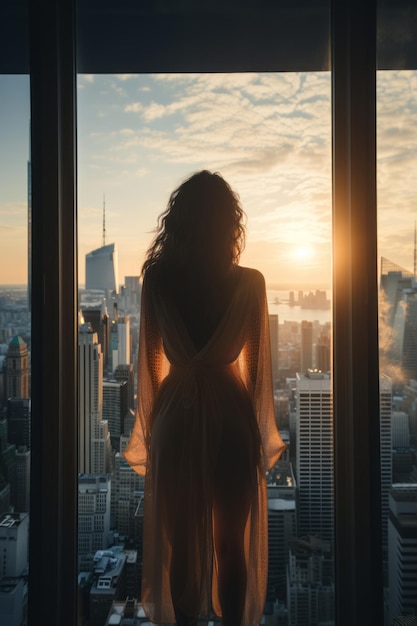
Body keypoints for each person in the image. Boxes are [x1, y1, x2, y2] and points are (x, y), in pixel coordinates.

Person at [124, 170, 286, 626]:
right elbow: (257, 374)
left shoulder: (157, 280)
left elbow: (150, 369)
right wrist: (256, 430)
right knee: (232, 543)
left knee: (180, 545)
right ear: (229, 223)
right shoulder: (250, 282)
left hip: (176, 414)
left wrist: (157, 429)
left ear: (177, 220)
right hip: (233, 418)